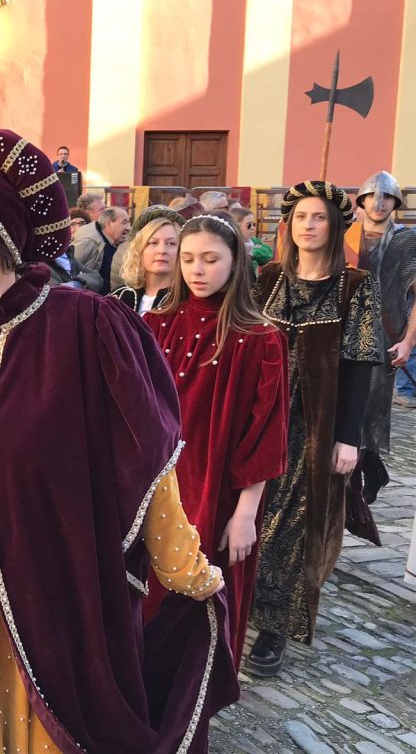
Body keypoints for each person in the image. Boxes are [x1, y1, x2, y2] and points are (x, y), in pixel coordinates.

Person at [0, 129, 236, 754]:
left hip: (52, 601)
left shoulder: (89, 332)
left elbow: (144, 464)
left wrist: (183, 567)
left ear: (11, 247)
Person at [248, 181, 382, 677]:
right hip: (260, 419)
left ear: (335, 225)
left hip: (315, 424)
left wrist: (349, 438)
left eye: (319, 217)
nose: (308, 225)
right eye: (301, 216)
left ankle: (275, 625)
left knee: (293, 523)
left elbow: (361, 364)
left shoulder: (354, 285)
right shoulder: (267, 279)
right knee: (250, 515)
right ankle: (238, 604)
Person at [143, 213, 288, 668]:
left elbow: (265, 433)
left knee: (205, 597)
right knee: (150, 595)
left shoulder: (261, 339)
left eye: (210, 259)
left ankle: (198, 691)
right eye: (188, 259)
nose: (197, 270)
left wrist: (246, 512)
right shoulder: (156, 325)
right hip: (156, 487)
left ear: (234, 262)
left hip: (219, 488)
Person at [352, 171, 416, 502]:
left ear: (396, 202)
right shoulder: (345, 237)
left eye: (387, 197)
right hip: (344, 332)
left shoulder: (407, 241)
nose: (379, 203)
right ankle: (362, 470)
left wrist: (408, 341)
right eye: (372, 196)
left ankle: (369, 468)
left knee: (372, 409)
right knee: (344, 407)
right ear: (361, 200)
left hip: (385, 336)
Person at [111, 208, 182, 314]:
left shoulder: (186, 300)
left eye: (171, 243)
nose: (162, 250)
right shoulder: (120, 297)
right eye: (153, 243)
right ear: (139, 250)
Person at [73, 205, 131, 292]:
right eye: (124, 222)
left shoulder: (115, 241)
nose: (128, 227)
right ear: (108, 223)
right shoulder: (89, 242)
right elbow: (70, 268)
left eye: (128, 222)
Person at [229, 206, 273, 273]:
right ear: (236, 226)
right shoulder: (232, 243)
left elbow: (268, 254)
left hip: (252, 276)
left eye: (254, 224)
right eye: (249, 225)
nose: (253, 228)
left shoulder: (254, 241)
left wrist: (254, 253)